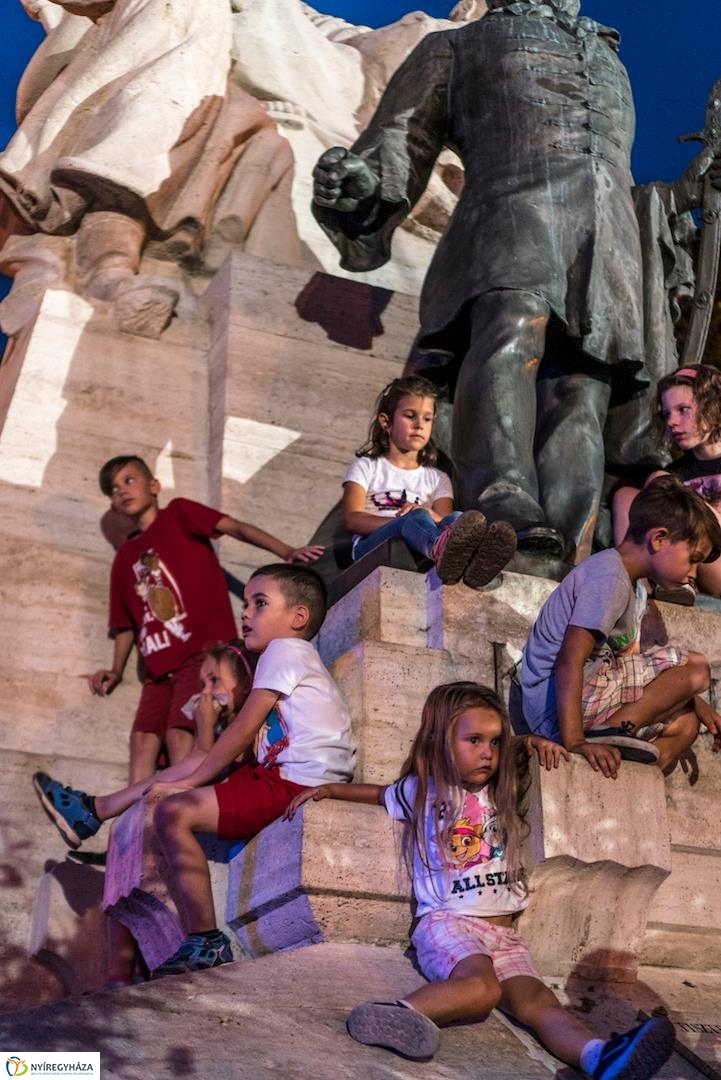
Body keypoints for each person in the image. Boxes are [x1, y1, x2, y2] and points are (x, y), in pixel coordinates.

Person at [311, 0, 721, 563]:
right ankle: (499, 497)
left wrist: (686, 196)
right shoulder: (455, 46)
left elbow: (615, 171)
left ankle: (566, 538)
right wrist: (360, 183)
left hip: (607, 246)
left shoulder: (609, 58)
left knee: (584, 385)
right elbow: (399, 143)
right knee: (512, 334)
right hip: (508, 221)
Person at [284, 681, 676, 1079]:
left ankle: (600, 1057)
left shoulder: (502, 787)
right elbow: (380, 793)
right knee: (482, 990)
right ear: (439, 741)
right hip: (448, 921)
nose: (487, 752)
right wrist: (331, 788)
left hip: (505, 934)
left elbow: (520, 752)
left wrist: (529, 743)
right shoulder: (424, 791)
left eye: (494, 742)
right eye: (474, 740)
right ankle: (398, 1013)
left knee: (541, 1003)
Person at [143, 563, 355, 976]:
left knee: (174, 811)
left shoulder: (284, 650)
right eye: (246, 604)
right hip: (290, 774)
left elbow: (244, 727)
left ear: (298, 618)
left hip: (296, 779)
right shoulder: (292, 657)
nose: (246, 613)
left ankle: (205, 941)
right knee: (192, 793)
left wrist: (189, 781)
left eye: (259, 603)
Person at [89, 454, 323, 783]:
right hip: (157, 669)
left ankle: (178, 806)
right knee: (142, 741)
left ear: (154, 485)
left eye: (129, 480)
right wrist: (115, 669)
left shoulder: (179, 514)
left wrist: (285, 551)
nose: (122, 491)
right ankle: (135, 825)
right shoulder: (125, 558)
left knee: (179, 733)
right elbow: (126, 625)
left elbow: (236, 527)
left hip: (201, 650)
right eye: (113, 489)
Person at [520, 477, 721, 778]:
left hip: (590, 695)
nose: (693, 573)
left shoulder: (634, 585)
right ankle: (611, 731)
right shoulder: (609, 577)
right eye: (692, 560)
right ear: (659, 539)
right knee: (697, 667)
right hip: (557, 709)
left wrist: (692, 700)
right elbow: (570, 658)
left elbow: (630, 662)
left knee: (686, 724)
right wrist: (574, 741)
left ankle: (628, 779)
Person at [32, 640, 253, 849]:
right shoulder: (223, 726)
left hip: (242, 802)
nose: (205, 692)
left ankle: (95, 809)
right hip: (219, 804)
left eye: (214, 681)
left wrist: (204, 728)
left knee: (193, 762)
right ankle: (96, 812)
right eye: (203, 684)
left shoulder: (249, 723)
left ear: (243, 684)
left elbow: (205, 763)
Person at [343, 375, 516, 588]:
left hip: (421, 530)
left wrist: (428, 515)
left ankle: (479, 568)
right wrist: (403, 523)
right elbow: (352, 519)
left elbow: (443, 518)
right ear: (386, 422)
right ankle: (439, 549)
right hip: (369, 546)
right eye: (410, 416)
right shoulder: (367, 466)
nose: (419, 425)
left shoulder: (438, 478)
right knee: (416, 518)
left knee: (458, 517)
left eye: (427, 419)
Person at [613, 364, 721, 600]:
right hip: (687, 561)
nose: (672, 421)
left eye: (683, 409)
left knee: (662, 483)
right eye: (666, 414)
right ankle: (632, 583)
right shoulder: (676, 473)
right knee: (626, 496)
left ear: (713, 406)